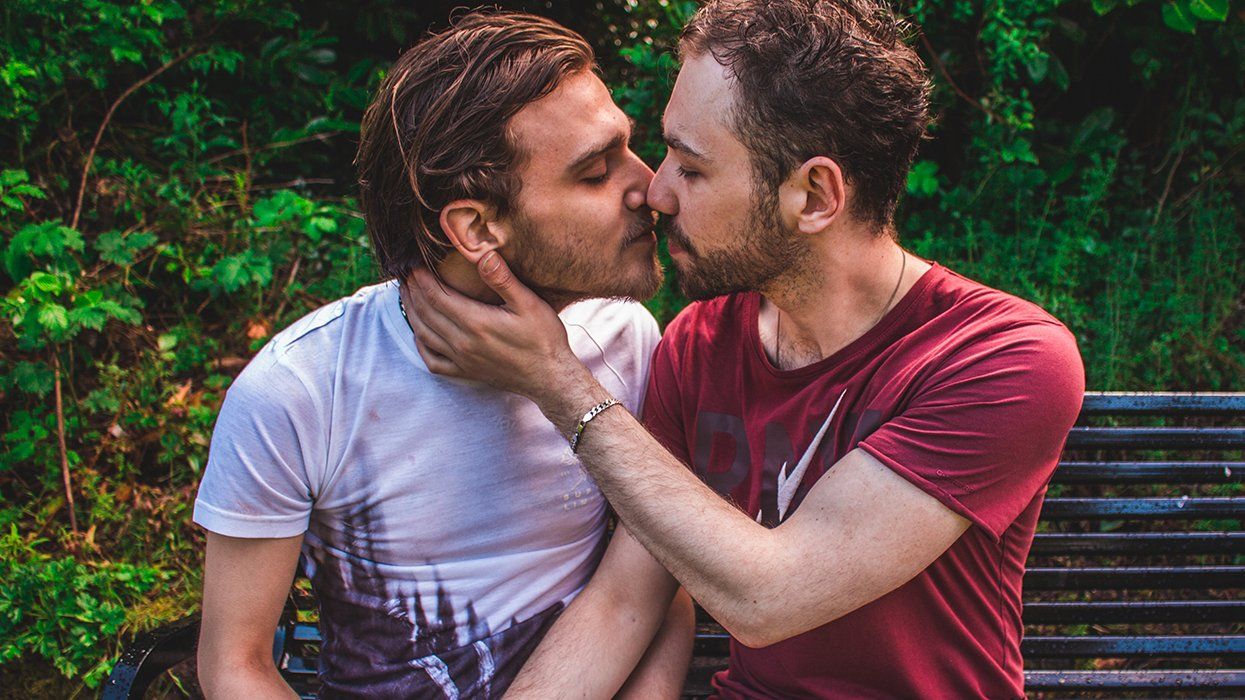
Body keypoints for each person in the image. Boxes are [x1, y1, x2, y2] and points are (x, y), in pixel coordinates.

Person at [403, 1, 1087, 698]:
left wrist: (556, 379)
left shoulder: (1002, 360)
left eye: (692, 168)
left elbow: (770, 597)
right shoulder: (700, 345)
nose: (655, 192)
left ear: (813, 196)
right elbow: (622, 604)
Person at [192, 11, 694, 698]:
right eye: (595, 172)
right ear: (477, 228)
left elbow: (657, 579)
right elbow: (235, 665)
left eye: (629, 149)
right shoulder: (301, 390)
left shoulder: (625, 340)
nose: (651, 188)